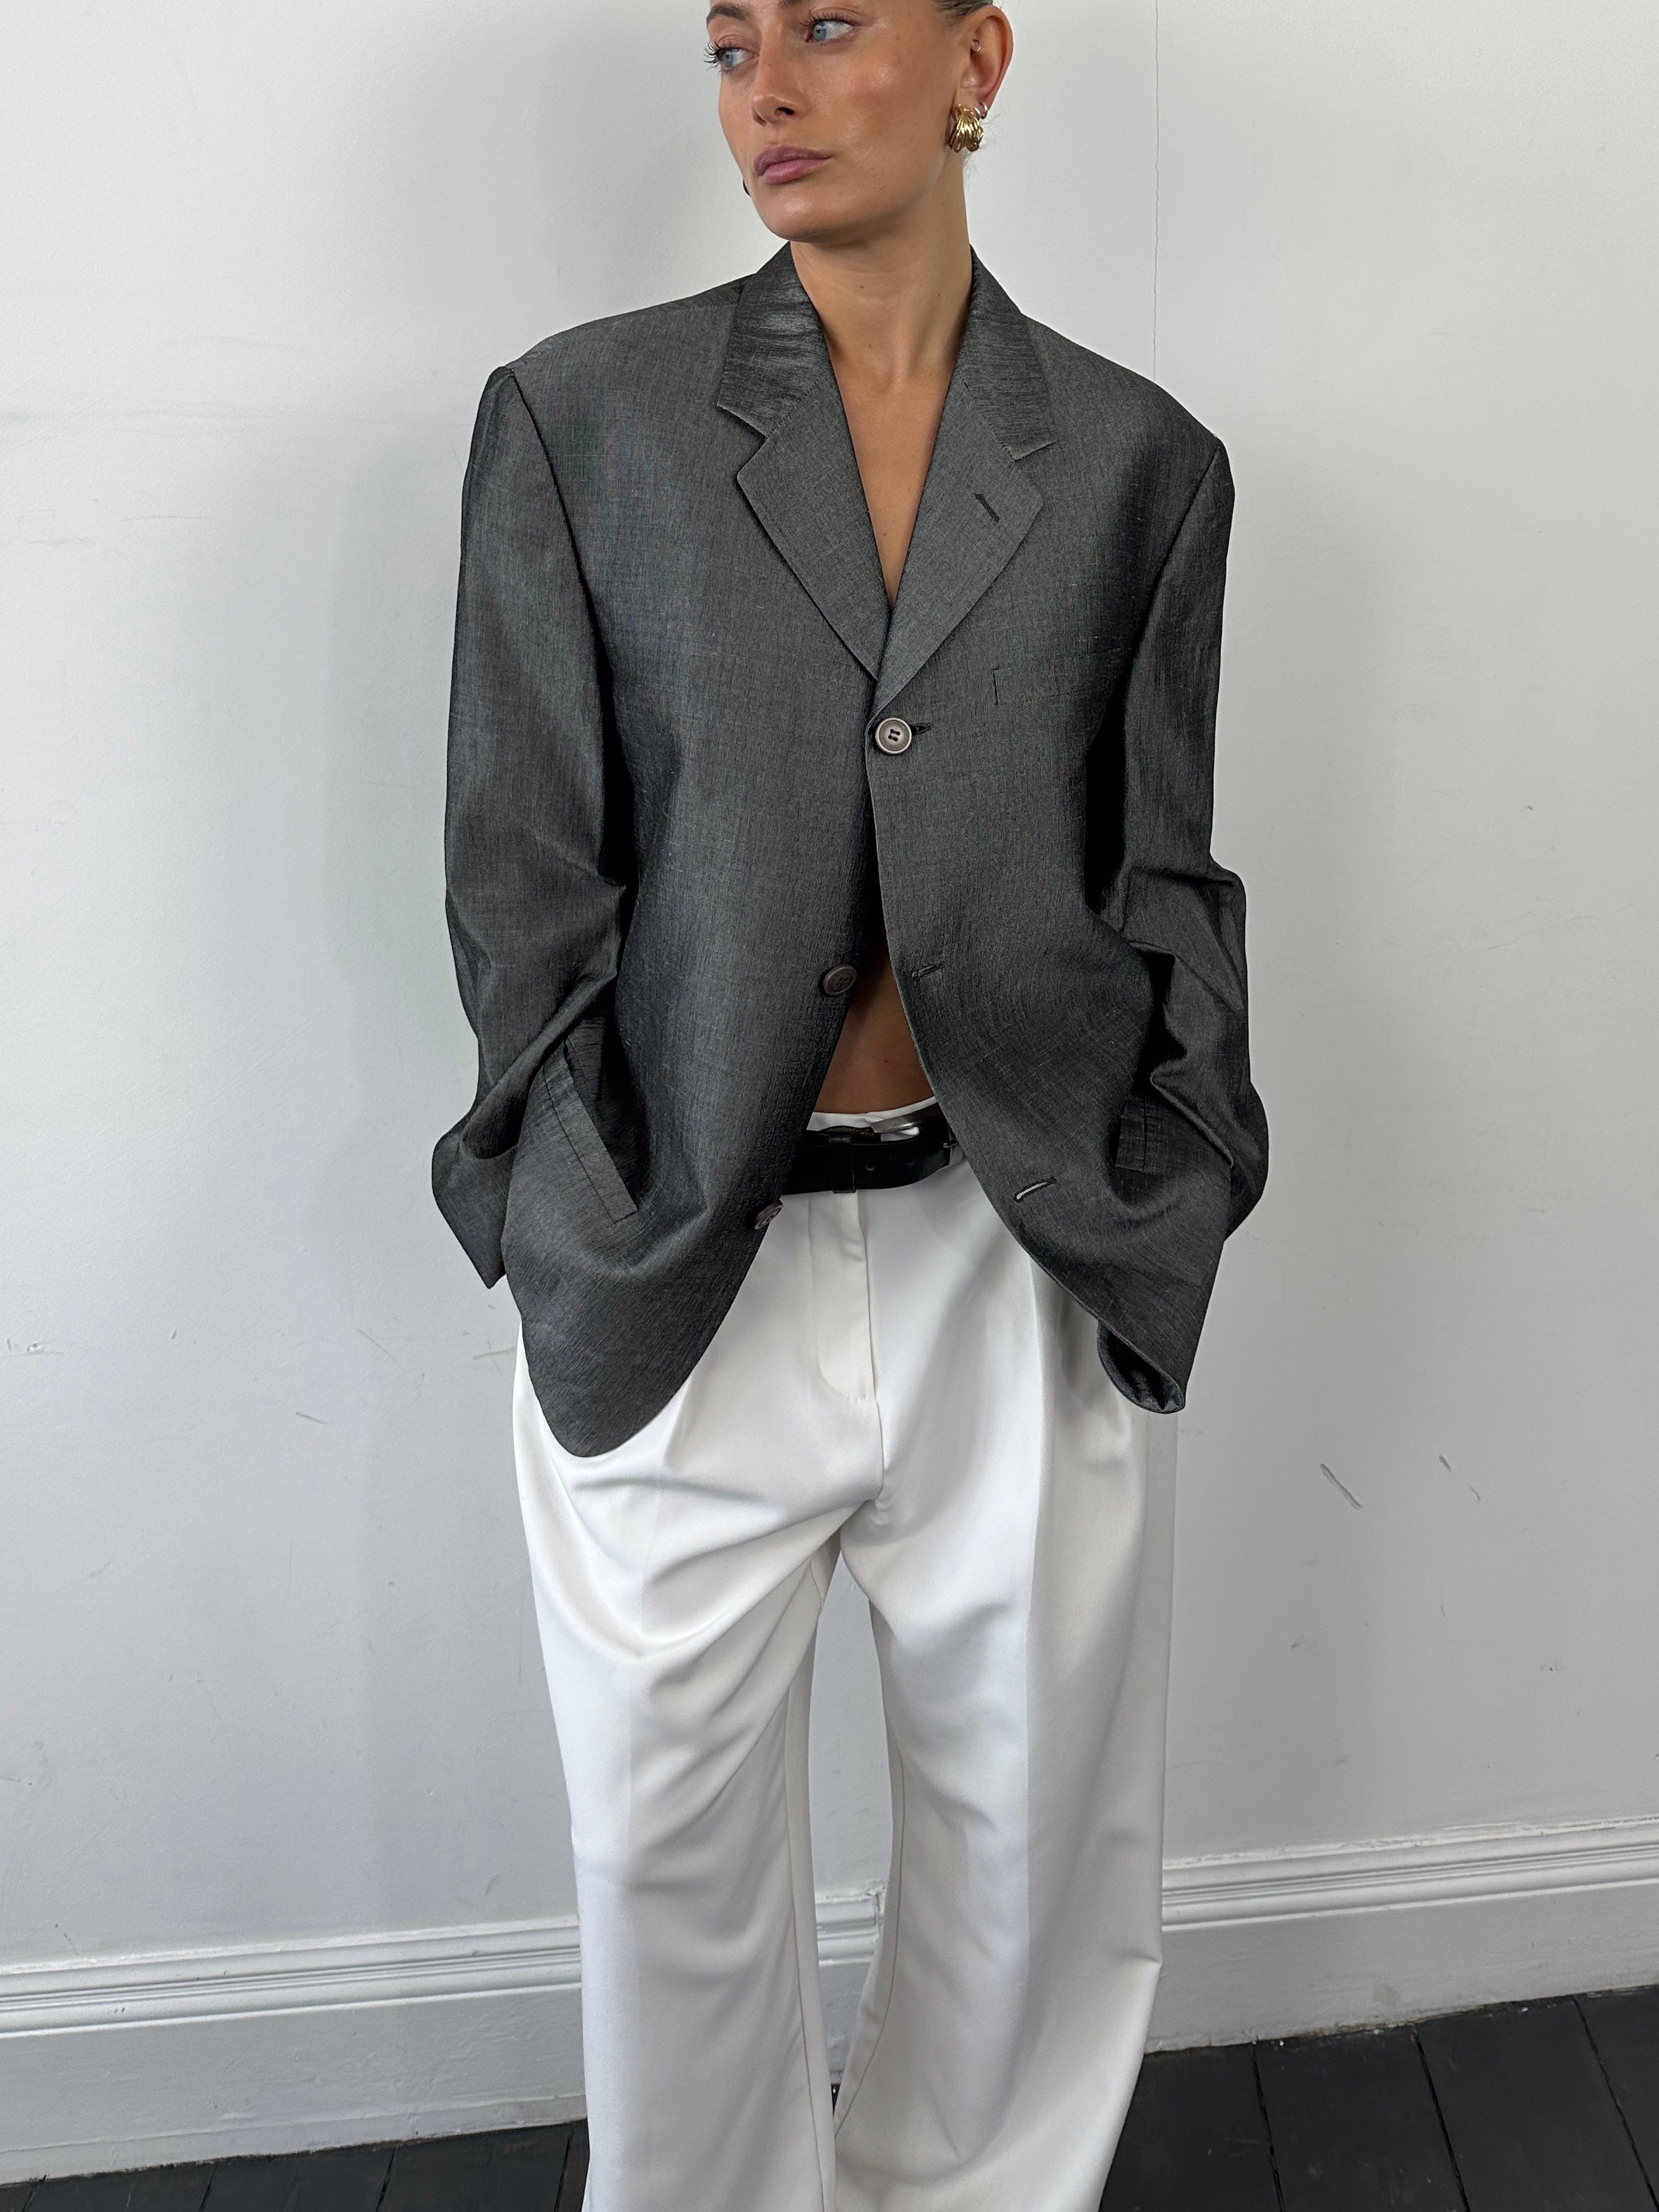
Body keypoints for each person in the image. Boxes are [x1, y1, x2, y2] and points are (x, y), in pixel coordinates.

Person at [431, 1, 1268, 2204]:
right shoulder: (584, 421)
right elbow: (522, 882)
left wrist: (1181, 1162)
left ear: (980, 56)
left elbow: (1162, 867)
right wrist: (561, 1199)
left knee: (1033, 1872)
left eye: (825, 25)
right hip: (679, 1250)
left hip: (1023, 1250)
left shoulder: (1138, 461)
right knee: (666, 1872)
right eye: (728, 47)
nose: (767, 94)